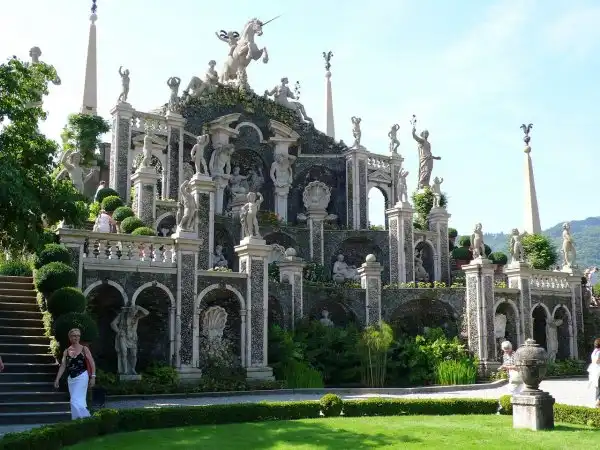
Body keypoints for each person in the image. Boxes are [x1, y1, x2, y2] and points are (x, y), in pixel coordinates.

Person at [54, 328, 96, 419]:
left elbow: (92, 363)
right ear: (70, 337)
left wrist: (93, 377)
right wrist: (57, 379)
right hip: (71, 379)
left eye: (78, 336)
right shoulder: (66, 351)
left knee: (74, 401)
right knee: (78, 402)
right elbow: (63, 366)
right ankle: (80, 420)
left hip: (82, 376)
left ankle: (85, 420)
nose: (76, 337)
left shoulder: (84, 349)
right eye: (74, 336)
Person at [497, 340, 523, 413]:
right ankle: (517, 409)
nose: (506, 351)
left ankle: (503, 407)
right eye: (505, 349)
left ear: (511, 348)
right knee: (516, 392)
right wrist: (502, 367)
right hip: (511, 375)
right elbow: (505, 364)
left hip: (517, 374)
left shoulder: (515, 355)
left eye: (507, 349)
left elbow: (518, 367)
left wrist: (507, 367)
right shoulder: (505, 355)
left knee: (511, 390)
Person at [587, 338, 600, 408]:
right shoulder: (599, 352)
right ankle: (598, 403)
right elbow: (598, 361)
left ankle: (597, 403)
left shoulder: (594, 351)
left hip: (594, 370)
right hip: (598, 370)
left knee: (598, 387)